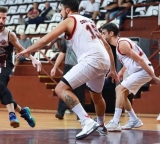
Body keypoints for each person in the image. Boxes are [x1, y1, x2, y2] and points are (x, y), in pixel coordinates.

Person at [17, 0, 119, 140]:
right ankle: (101, 126)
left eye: (61, 10)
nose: (59, 13)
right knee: (97, 96)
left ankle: (86, 121)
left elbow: (46, 39)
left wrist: (27, 50)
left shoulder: (69, 20)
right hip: (104, 60)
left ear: (67, 10)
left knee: (60, 89)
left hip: (91, 59)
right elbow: (107, 47)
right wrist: (112, 68)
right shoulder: (89, 21)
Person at [101, 23, 160, 131]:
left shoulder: (122, 44)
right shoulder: (120, 44)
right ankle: (134, 120)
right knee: (121, 92)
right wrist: (122, 71)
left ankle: (115, 122)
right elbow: (131, 60)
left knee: (120, 89)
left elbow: (140, 60)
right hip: (140, 71)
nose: (101, 35)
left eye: (103, 33)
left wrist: (153, 77)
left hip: (143, 70)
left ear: (111, 33)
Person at [50, 36, 85, 120]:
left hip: (79, 66)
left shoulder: (83, 41)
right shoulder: (67, 41)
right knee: (62, 88)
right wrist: (55, 67)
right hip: (68, 66)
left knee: (79, 91)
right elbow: (62, 53)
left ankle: (80, 115)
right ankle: (60, 112)